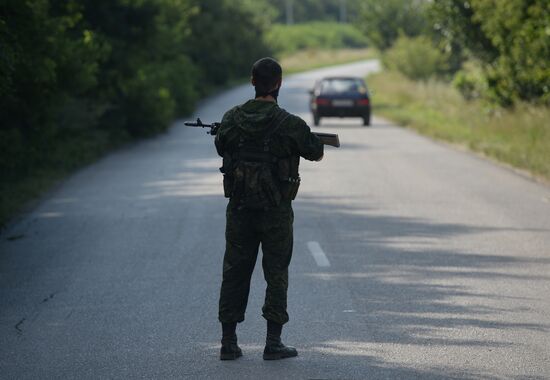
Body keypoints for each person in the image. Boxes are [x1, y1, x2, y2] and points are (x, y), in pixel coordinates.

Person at [215, 57, 324, 361]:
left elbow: (222, 145)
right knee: (276, 273)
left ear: (252, 81)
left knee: (234, 271)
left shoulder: (231, 117)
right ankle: (273, 342)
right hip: (275, 212)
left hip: (239, 210)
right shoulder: (290, 123)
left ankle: (228, 342)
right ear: (278, 84)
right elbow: (315, 152)